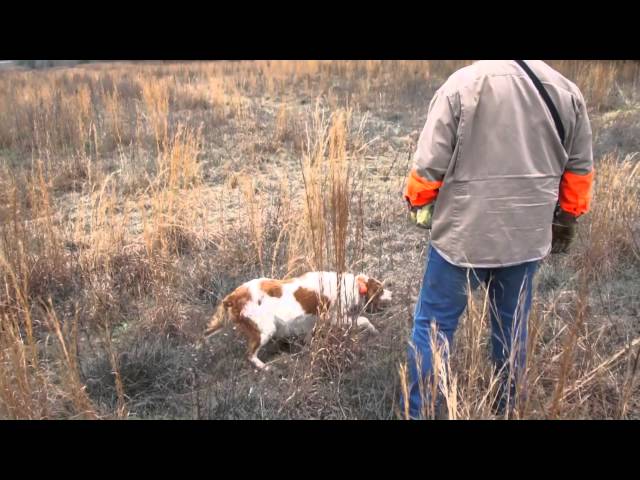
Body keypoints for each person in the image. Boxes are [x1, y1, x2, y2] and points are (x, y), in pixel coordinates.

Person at [402, 60, 594, 419]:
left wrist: (419, 203)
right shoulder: (567, 91)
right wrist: (566, 219)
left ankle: (420, 413)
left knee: (434, 329)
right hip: (527, 238)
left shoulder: (461, 85)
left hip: (462, 238)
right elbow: (580, 173)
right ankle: (508, 410)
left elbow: (427, 167)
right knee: (511, 330)